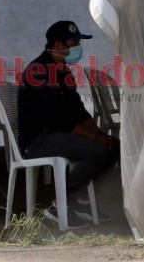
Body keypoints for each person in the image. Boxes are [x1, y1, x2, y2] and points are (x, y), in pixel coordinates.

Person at [18, 20, 120, 229]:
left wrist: (100, 134)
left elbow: (77, 109)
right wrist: (94, 139)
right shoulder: (39, 70)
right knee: (96, 151)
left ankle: (80, 201)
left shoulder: (62, 69)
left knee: (113, 145)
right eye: (73, 43)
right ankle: (61, 206)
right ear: (57, 45)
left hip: (57, 133)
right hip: (39, 139)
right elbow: (60, 119)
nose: (77, 48)